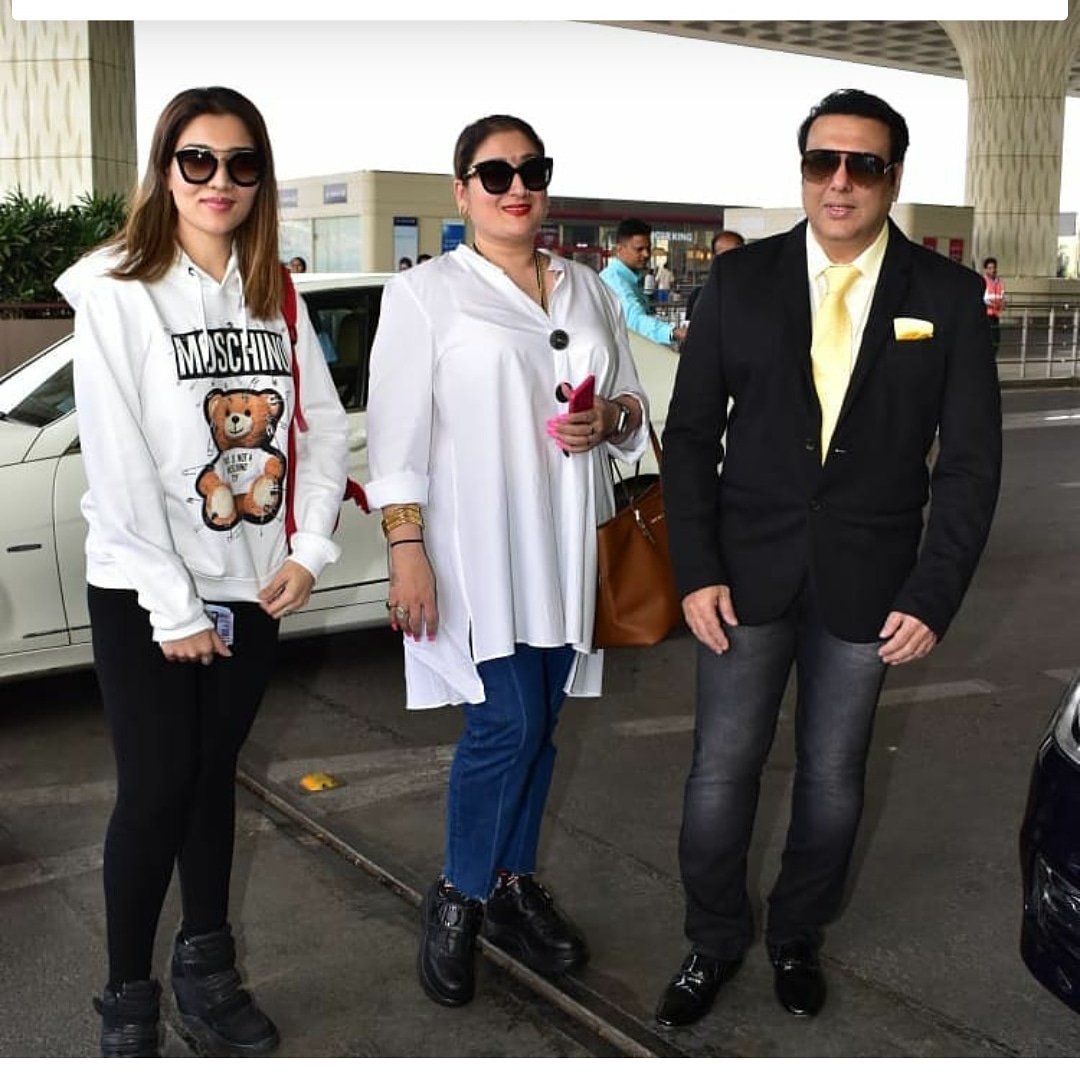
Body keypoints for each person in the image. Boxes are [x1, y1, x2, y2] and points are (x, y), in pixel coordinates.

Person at [655, 88, 1001, 1027]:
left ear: (894, 176)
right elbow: (687, 438)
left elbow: (970, 465)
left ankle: (797, 935)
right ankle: (713, 938)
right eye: (823, 162)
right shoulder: (740, 282)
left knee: (834, 778)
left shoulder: (948, 297)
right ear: (802, 169)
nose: (840, 183)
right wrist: (695, 569)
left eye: (864, 165)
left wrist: (934, 593)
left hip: (875, 585)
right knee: (720, 772)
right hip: (741, 576)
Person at [55, 86, 350, 1057]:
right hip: (148, 594)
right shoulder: (116, 286)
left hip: (253, 585)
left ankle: (208, 970)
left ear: (261, 177)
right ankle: (127, 998)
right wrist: (174, 603)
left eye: (240, 163)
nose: (218, 181)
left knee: (211, 779)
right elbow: (121, 456)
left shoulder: (275, 291)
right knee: (154, 789)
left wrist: (308, 550)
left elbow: (321, 423)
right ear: (165, 166)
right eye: (197, 159)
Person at [364, 114, 650, 1009]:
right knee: (506, 725)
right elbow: (395, 440)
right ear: (461, 192)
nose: (515, 185)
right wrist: (406, 550)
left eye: (531, 169)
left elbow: (636, 403)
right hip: (477, 548)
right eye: (494, 173)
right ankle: (458, 896)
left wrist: (610, 421)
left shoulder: (589, 289)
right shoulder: (426, 295)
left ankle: (514, 884)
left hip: (567, 541)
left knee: (543, 725)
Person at [599, 218, 687, 349]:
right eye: (639, 249)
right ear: (619, 249)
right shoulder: (614, 280)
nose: (646, 254)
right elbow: (634, 320)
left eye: (648, 248)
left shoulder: (631, 278)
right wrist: (673, 332)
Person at [684, 230, 745, 321]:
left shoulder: (757, 294)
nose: (729, 260)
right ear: (714, 258)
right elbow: (693, 330)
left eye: (734, 254)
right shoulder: (698, 296)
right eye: (723, 255)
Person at [982, 256, 1005, 358]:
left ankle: (991, 360)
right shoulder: (983, 282)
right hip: (986, 316)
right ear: (986, 269)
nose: (993, 270)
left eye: (994, 268)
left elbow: (1002, 297)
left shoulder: (999, 283)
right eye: (990, 268)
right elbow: (983, 299)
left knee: (996, 341)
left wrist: (1002, 303)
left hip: (995, 315)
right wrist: (995, 304)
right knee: (988, 341)